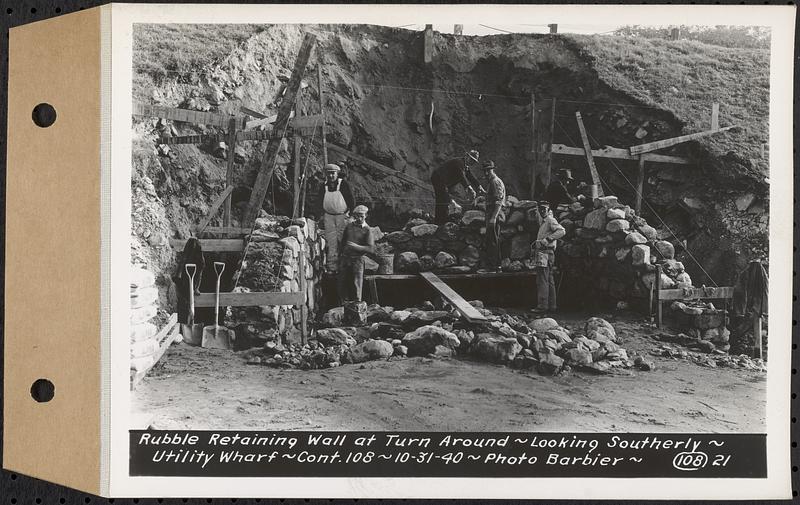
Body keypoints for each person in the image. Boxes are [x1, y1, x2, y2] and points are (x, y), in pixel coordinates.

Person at [430, 149, 485, 224]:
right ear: (466, 156)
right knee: (442, 200)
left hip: (445, 181)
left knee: (445, 200)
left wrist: (479, 186)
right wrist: (469, 187)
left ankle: (441, 220)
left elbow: (470, 176)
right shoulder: (458, 162)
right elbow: (461, 176)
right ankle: (439, 222)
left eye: (474, 161)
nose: (472, 162)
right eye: (471, 159)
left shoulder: (465, 166)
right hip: (438, 178)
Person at [318, 163, 354, 273]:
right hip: (328, 216)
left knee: (343, 240)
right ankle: (332, 267)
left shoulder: (343, 184)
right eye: (328, 174)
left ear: (337, 174)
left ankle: (344, 267)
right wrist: (317, 216)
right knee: (331, 242)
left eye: (333, 173)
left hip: (342, 216)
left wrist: (352, 214)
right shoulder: (323, 186)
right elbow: (319, 202)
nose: (331, 176)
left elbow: (351, 199)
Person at [532, 201, 565, 313]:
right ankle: (552, 305)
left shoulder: (550, 220)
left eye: (544, 209)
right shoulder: (544, 221)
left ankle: (542, 306)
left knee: (542, 279)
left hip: (545, 252)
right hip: (545, 252)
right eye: (540, 209)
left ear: (548, 210)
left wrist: (548, 239)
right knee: (549, 279)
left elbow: (561, 231)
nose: (541, 211)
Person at [338, 205, 375, 303]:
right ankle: (343, 305)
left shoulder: (367, 230)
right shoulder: (349, 226)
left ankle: (357, 306)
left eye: (361, 216)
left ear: (366, 215)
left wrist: (356, 247)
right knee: (342, 282)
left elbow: (371, 249)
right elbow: (343, 242)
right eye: (357, 216)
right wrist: (340, 255)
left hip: (358, 260)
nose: (359, 218)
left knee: (357, 283)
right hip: (345, 259)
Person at [482, 160, 506, 271]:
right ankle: (495, 266)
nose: (486, 173)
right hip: (491, 213)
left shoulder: (495, 182)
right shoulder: (491, 182)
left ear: (493, 169)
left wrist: (493, 217)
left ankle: (494, 266)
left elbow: (498, 201)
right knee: (492, 240)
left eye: (488, 171)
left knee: (493, 241)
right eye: (485, 171)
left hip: (494, 214)